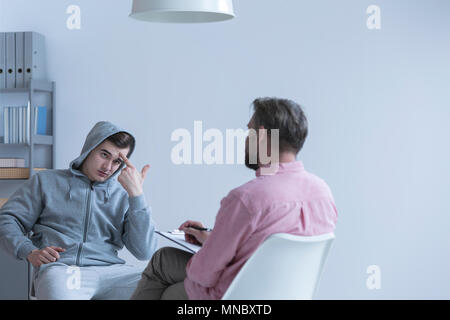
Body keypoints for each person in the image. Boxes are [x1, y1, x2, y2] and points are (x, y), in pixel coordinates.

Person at [130, 97, 338, 300]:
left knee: (166, 275)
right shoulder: (323, 194)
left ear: (263, 135)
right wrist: (215, 240)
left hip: (234, 297)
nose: (246, 139)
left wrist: (212, 250)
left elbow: (204, 274)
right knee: (167, 270)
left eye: (249, 131)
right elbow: (270, 253)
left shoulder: (247, 199)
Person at [0, 121, 158, 299]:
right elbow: (7, 220)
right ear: (89, 149)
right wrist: (29, 250)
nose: (108, 167)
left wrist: (136, 195)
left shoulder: (124, 195)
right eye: (104, 154)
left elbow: (144, 251)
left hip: (112, 273)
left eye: (117, 161)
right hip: (63, 270)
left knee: (162, 285)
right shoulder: (46, 181)